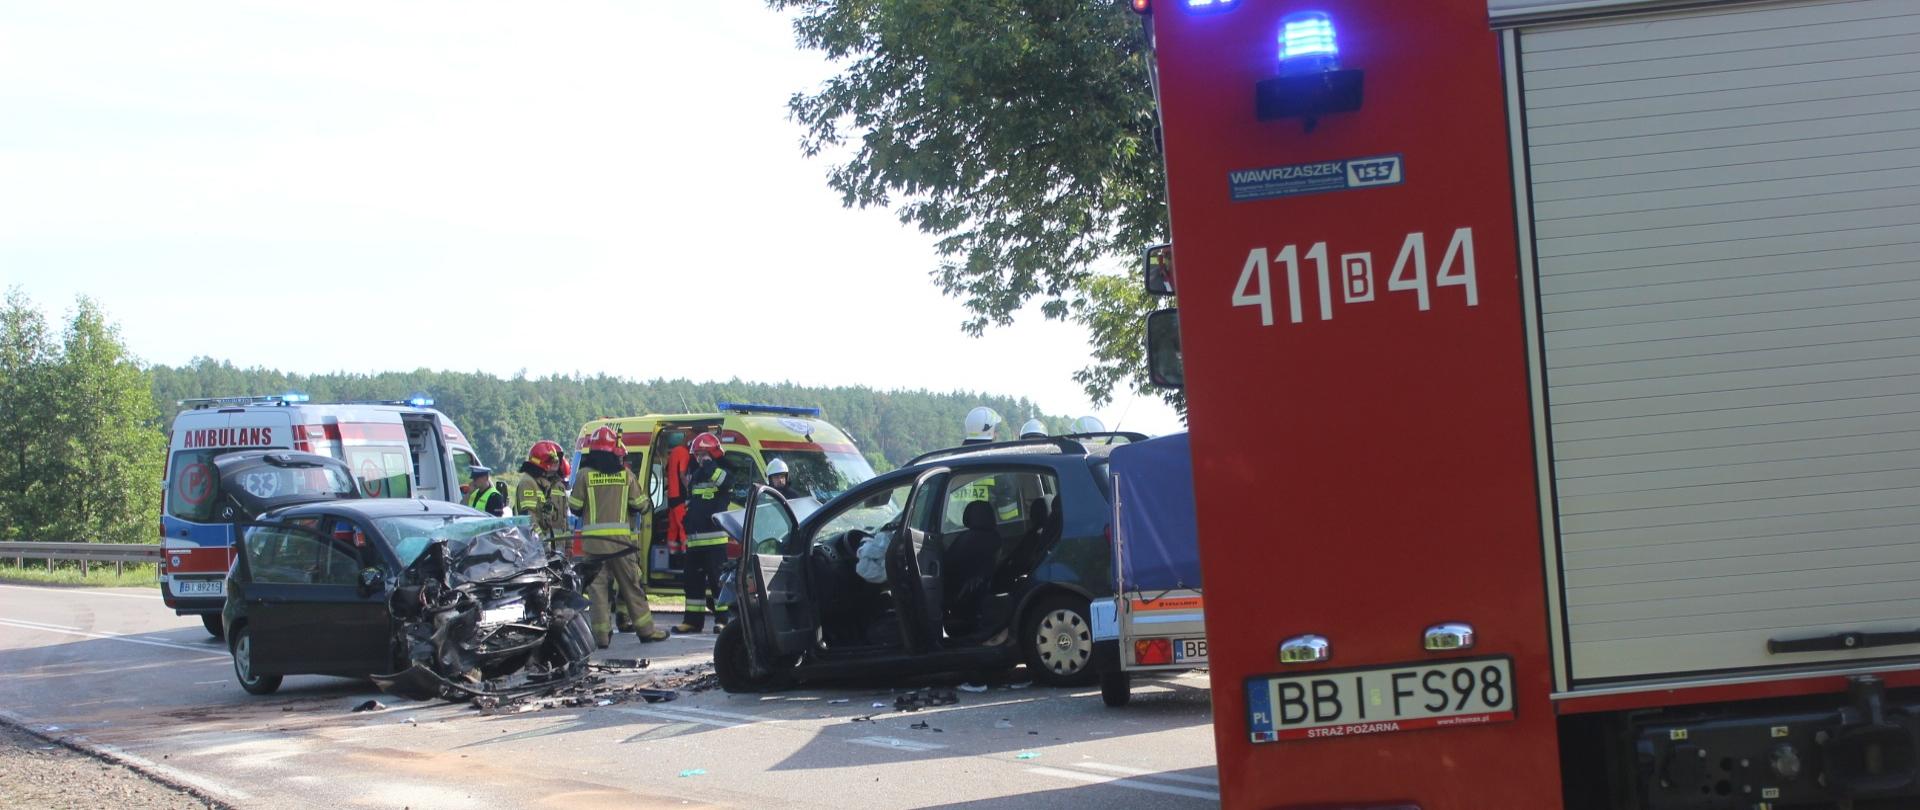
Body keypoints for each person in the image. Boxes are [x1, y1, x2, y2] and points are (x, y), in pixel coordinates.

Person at [569, 427, 670, 646]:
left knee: (598, 592)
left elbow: (574, 507)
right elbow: (642, 506)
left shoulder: (584, 475)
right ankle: (646, 631)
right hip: (621, 545)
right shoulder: (626, 476)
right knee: (631, 587)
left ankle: (601, 637)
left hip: (594, 547)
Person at [673, 432, 732, 633]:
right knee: (692, 582)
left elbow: (725, 483)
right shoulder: (696, 475)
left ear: (711, 453)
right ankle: (692, 621)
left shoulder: (722, 470)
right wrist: (687, 521)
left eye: (701, 454)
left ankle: (723, 620)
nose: (698, 458)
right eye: (696, 455)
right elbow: (690, 503)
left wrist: (709, 465)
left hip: (715, 542)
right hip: (695, 541)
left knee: (719, 582)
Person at [515, 441, 570, 550]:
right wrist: (542, 542)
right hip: (535, 549)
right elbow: (529, 518)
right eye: (551, 461)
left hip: (555, 549)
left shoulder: (549, 484)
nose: (555, 465)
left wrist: (568, 545)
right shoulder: (528, 483)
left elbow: (564, 519)